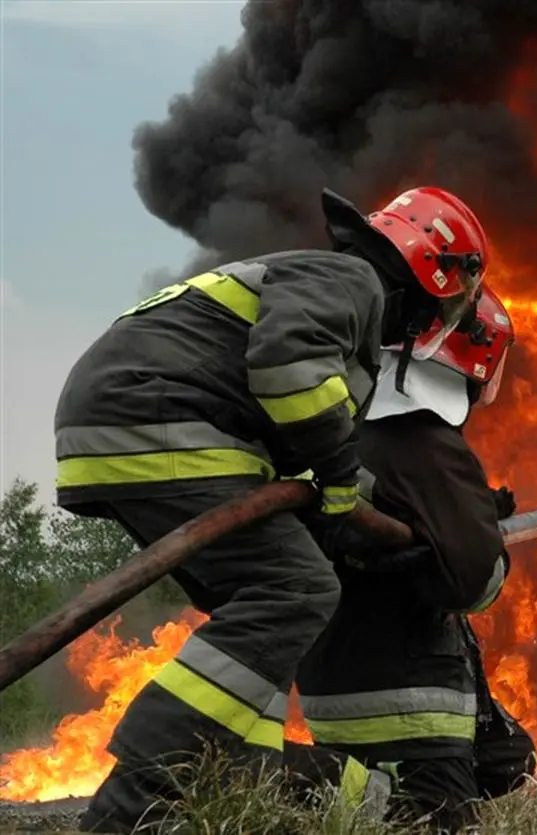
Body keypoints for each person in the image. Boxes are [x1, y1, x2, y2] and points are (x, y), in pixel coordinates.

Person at [54, 185, 494, 834]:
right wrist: (343, 477)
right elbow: (289, 370)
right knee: (296, 588)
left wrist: (363, 510)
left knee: (258, 611)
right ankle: (139, 795)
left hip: (125, 420)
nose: (441, 319)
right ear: (433, 271)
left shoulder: (322, 283)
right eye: (453, 301)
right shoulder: (352, 281)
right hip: (161, 416)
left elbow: (294, 444)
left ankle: (232, 775)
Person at [286, 283, 536, 832]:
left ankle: (350, 792)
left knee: (509, 760)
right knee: (428, 818)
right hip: (409, 704)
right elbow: (475, 583)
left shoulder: (345, 429)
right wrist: (484, 542)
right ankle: (298, 783)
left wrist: (463, 519)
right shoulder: (425, 440)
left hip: (335, 688)